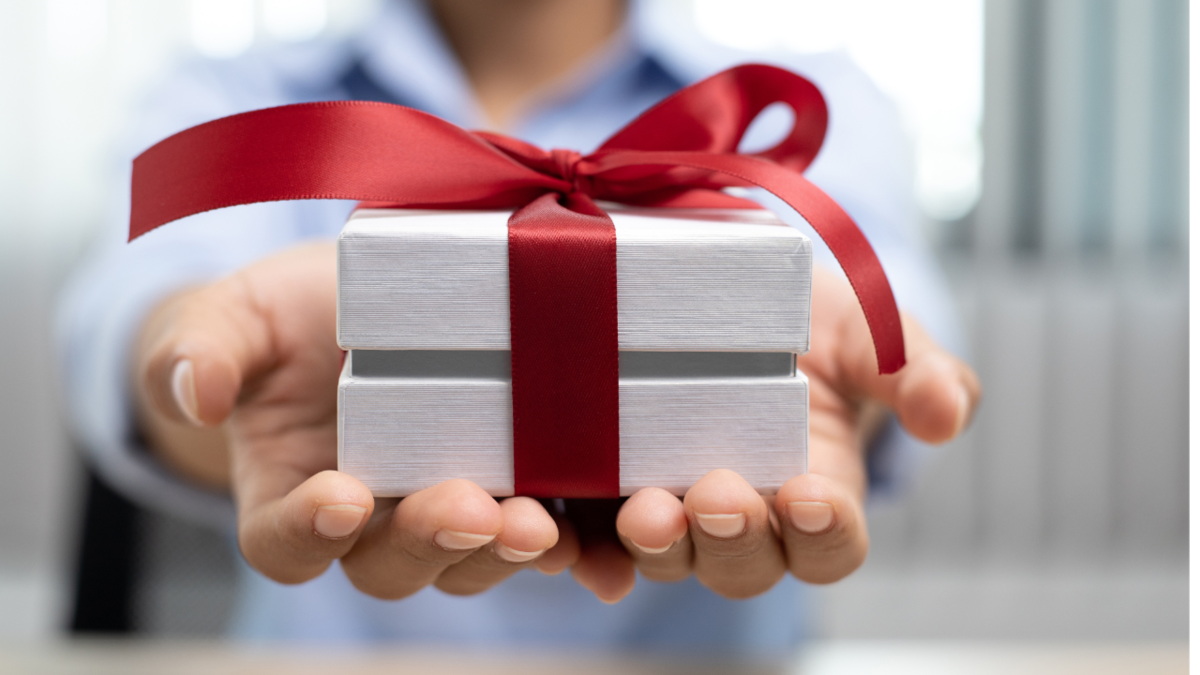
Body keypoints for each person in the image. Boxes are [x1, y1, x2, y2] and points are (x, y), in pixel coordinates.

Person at [57, 0, 980, 654]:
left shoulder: (789, 102)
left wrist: (841, 390)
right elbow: (138, 312)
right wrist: (200, 362)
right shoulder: (237, 89)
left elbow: (883, 319)